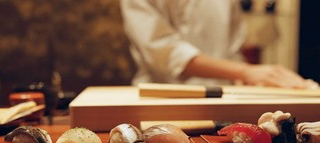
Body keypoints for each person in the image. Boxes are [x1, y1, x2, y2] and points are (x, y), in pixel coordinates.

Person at [120, 0, 310, 89]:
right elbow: (163, 52)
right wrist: (244, 71)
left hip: (221, 99)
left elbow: (232, 48)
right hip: (161, 100)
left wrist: (249, 81)